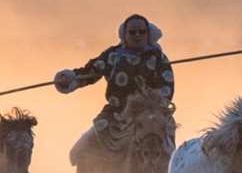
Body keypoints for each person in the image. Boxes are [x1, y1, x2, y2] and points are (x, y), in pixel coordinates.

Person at [55, 14, 174, 162]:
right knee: (82, 148)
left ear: (148, 34)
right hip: (116, 113)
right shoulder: (113, 55)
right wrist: (69, 79)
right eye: (132, 32)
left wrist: (150, 104)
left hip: (151, 115)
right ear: (125, 35)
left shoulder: (158, 58)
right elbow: (90, 73)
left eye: (141, 32)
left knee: (168, 147)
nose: (137, 35)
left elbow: (167, 88)